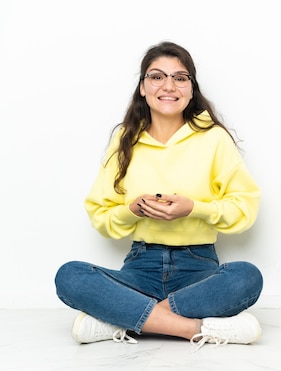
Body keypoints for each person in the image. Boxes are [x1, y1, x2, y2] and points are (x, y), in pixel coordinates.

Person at [54, 41, 263, 350]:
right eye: (157, 76)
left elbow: (244, 207)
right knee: (69, 276)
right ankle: (193, 328)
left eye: (180, 78)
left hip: (198, 266)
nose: (169, 86)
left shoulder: (214, 139)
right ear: (142, 87)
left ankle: (121, 319)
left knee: (247, 277)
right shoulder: (125, 139)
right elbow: (100, 213)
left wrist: (195, 208)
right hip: (141, 266)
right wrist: (132, 209)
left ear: (191, 88)